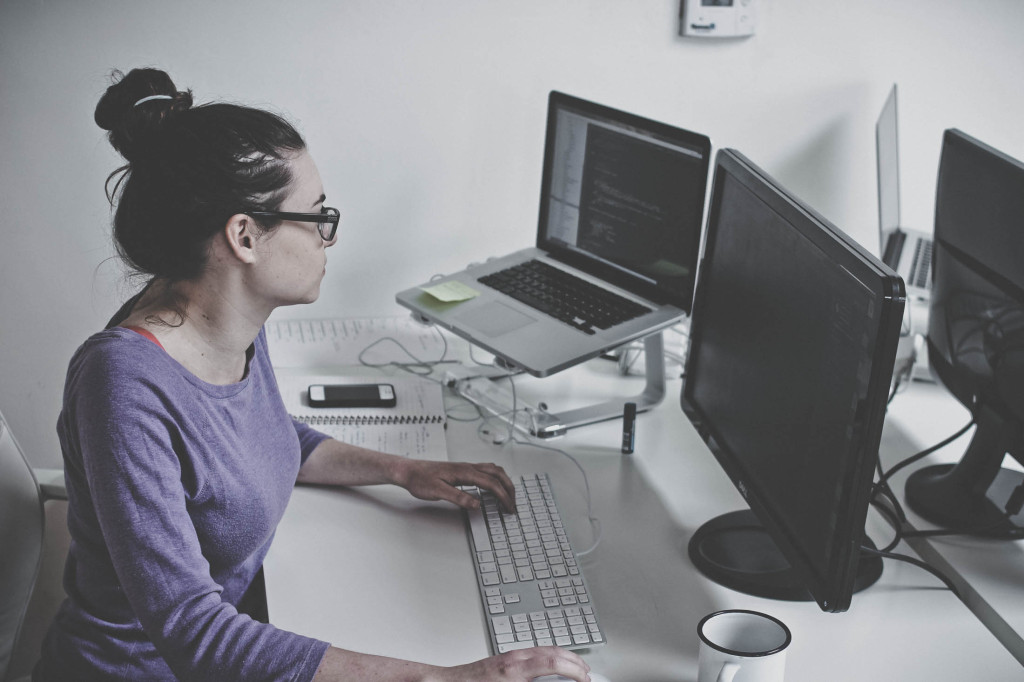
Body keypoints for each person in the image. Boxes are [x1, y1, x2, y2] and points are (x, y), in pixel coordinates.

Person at [34, 68, 592, 682]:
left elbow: (269, 439)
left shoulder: (226, 317)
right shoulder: (123, 386)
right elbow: (193, 632)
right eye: (318, 214)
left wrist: (404, 470)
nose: (329, 236)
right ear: (245, 236)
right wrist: (446, 678)